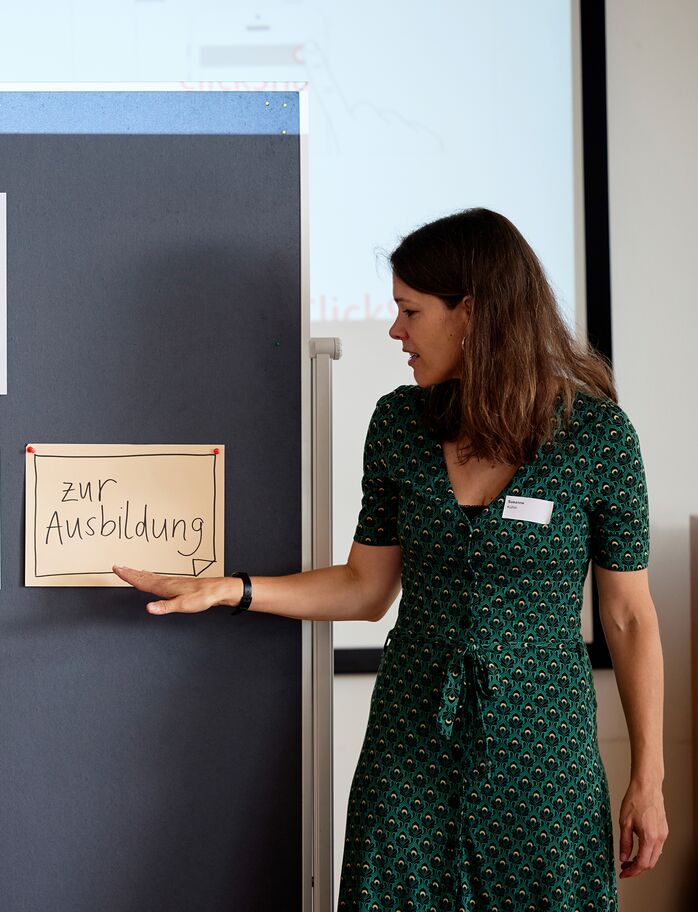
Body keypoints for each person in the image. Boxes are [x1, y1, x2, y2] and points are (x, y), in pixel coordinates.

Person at [114, 208, 667, 910]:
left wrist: (648, 778)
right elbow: (365, 588)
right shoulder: (400, 425)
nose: (395, 331)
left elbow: (629, 618)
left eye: (411, 311)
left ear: (472, 313)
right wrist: (234, 589)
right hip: (411, 744)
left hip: (543, 754)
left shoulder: (599, 438)